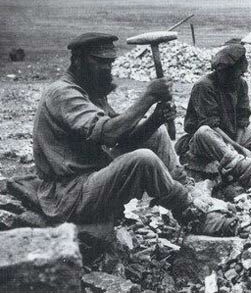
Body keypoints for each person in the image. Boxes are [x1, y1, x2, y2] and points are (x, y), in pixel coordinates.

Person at [32, 33, 236, 235]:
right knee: (143, 160)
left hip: (90, 177)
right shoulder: (63, 93)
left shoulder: (90, 91)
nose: (106, 68)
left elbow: (123, 136)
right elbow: (109, 133)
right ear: (77, 61)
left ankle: (186, 191)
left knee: (157, 133)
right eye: (100, 62)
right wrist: (148, 97)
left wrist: (155, 119)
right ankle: (192, 216)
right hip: (69, 193)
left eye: (110, 63)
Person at [176, 42, 251, 187]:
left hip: (232, 135)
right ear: (224, 72)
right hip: (204, 141)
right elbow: (211, 125)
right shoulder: (204, 86)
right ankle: (245, 168)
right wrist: (239, 148)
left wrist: (238, 144)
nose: (240, 77)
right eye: (238, 73)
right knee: (204, 131)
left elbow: (243, 119)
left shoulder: (241, 84)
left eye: (241, 74)